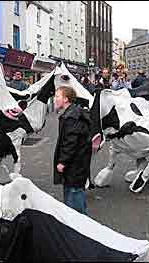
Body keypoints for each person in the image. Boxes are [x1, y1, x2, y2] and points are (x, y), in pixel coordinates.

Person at [53, 86, 92, 215]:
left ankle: (79, 224)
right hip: (77, 164)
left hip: (75, 165)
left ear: (65, 99)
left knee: (74, 193)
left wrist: (62, 162)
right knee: (73, 190)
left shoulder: (71, 117)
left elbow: (70, 143)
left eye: (57, 96)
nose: (54, 99)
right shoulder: (72, 113)